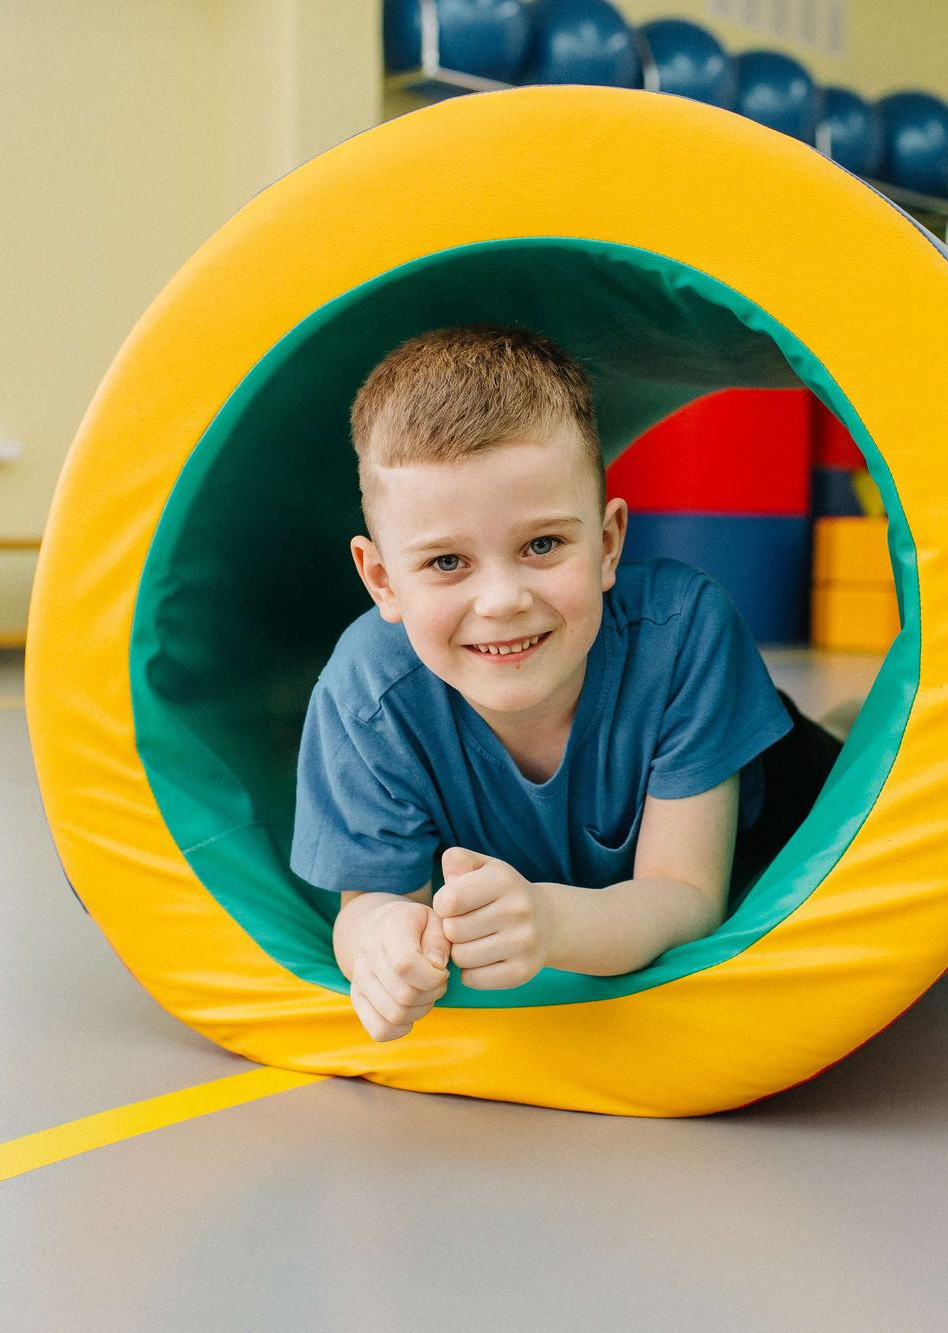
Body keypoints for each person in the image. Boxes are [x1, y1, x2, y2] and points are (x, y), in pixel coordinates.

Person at [291, 325, 849, 1042]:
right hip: (553, 870)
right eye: (446, 563)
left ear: (609, 543)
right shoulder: (368, 696)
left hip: (767, 801)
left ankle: (851, 715)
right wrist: (384, 941)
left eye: (542, 545)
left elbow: (684, 896)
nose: (501, 600)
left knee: (846, 759)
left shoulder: (681, 631)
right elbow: (366, 902)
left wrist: (552, 923)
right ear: (380, 579)